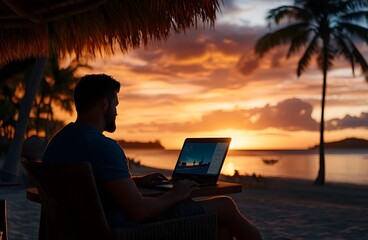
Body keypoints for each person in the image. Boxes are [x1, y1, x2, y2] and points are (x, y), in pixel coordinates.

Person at [42, 74, 261, 240]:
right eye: (116, 105)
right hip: (122, 230)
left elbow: (88, 187)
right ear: (104, 104)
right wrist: (175, 194)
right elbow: (139, 212)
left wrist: (135, 182)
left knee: (220, 230)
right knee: (225, 206)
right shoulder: (103, 146)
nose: (117, 112)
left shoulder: (58, 142)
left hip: (82, 230)